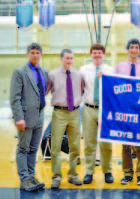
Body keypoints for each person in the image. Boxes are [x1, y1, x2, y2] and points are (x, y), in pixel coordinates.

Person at [10, 43, 48, 192]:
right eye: (32, 52)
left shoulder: (43, 72)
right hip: (25, 117)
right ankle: (24, 179)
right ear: (27, 54)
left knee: (33, 148)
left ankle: (31, 176)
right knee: (23, 148)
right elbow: (15, 97)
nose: (35, 55)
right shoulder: (20, 72)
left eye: (38, 52)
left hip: (39, 115)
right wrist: (19, 117)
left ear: (41, 55)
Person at [116, 38, 140, 185]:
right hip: (125, 109)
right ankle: (127, 173)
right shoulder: (119, 67)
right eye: (131, 47)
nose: (134, 50)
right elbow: (114, 87)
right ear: (127, 49)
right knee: (125, 145)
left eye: (137, 47)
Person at [47, 49, 84, 189]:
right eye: (67, 58)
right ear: (61, 58)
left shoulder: (79, 75)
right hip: (59, 113)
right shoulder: (52, 75)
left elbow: (83, 91)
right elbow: (46, 91)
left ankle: (73, 175)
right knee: (55, 146)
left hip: (74, 113)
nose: (69, 61)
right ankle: (56, 177)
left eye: (71, 58)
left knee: (75, 146)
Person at [80, 44, 115, 184]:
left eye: (100, 53)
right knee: (89, 142)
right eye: (94, 52)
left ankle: (107, 171)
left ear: (104, 54)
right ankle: (89, 171)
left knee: (106, 143)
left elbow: (115, 90)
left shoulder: (110, 71)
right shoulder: (83, 70)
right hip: (88, 108)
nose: (97, 55)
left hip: (105, 110)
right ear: (91, 54)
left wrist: (106, 79)